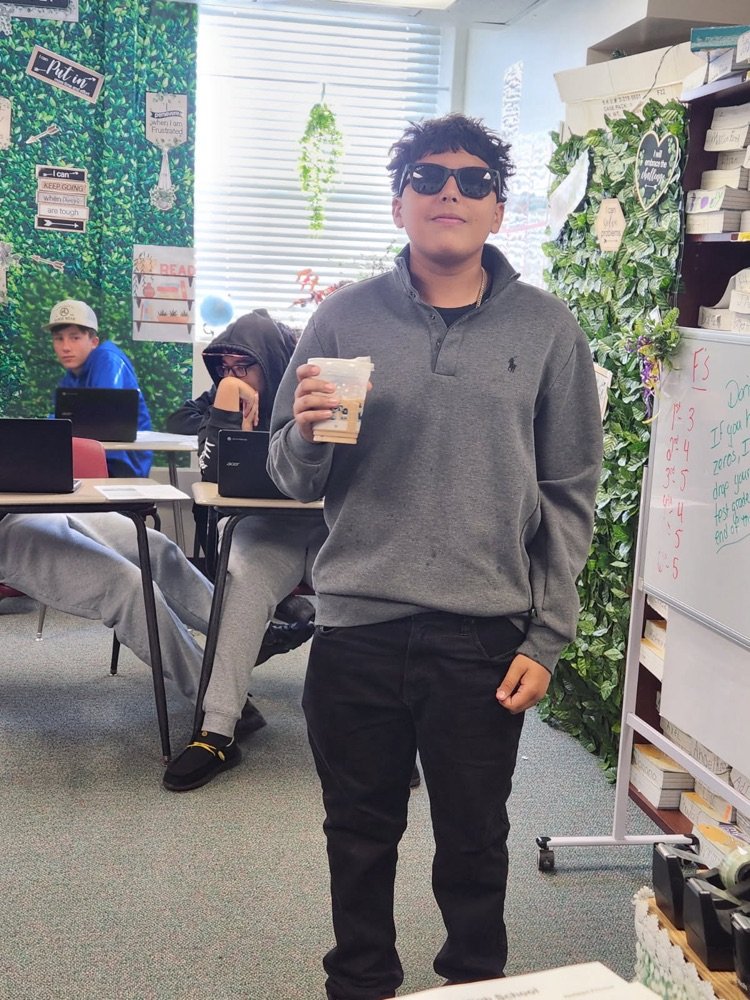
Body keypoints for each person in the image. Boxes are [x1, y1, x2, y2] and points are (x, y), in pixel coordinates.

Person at [268, 113, 604, 999]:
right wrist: (304, 433)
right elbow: (293, 478)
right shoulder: (340, 318)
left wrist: (547, 638)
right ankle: (361, 981)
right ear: (399, 201)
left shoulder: (547, 330)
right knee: (359, 831)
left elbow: (569, 494)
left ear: (497, 211)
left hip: (483, 635)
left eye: (472, 180)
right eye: (427, 176)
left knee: (472, 838)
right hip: (357, 628)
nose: (448, 191)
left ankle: (474, 984)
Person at [162, 310, 328, 792]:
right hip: (267, 528)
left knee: (360, 595)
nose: (233, 375)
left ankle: (379, 735)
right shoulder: (227, 395)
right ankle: (216, 730)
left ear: (271, 361)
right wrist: (225, 412)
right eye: (225, 367)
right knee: (241, 586)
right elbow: (212, 476)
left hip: (329, 527)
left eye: (243, 366)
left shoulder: (312, 389)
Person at [0, 510, 213, 708]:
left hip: (44, 504)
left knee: (158, 548)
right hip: (7, 529)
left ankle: (241, 649)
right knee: (128, 585)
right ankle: (215, 696)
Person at [46, 299, 153, 477]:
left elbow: (99, 420)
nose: (65, 347)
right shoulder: (70, 376)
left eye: (74, 337)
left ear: (94, 342)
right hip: (90, 458)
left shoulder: (108, 359)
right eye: (59, 339)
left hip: (121, 464)